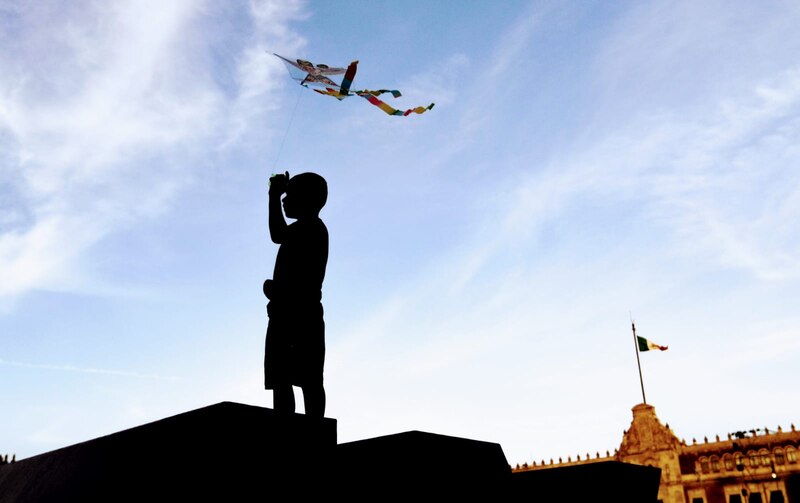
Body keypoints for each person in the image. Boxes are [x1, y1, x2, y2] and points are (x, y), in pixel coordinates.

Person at [263, 171, 329, 417]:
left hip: (299, 316)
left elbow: (277, 234)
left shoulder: (310, 228)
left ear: (307, 198)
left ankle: (311, 435)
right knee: (283, 379)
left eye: (289, 194)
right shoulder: (307, 229)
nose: (284, 199)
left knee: (307, 380)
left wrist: (272, 194)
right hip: (288, 315)